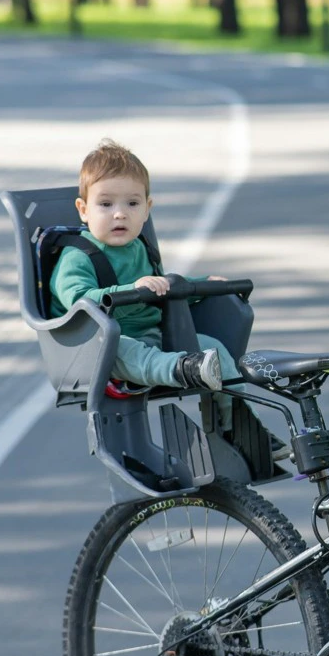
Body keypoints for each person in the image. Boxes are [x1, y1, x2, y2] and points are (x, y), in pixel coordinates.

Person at [50, 139, 288, 459]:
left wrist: (202, 285)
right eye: (105, 204)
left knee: (216, 351)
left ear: (147, 209)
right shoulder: (77, 257)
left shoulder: (140, 248)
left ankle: (243, 427)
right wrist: (132, 288)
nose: (119, 214)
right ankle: (184, 369)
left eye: (132, 204)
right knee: (132, 351)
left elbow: (164, 290)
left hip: (153, 333)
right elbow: (81, 303)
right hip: (100, 346)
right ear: (83, 210)